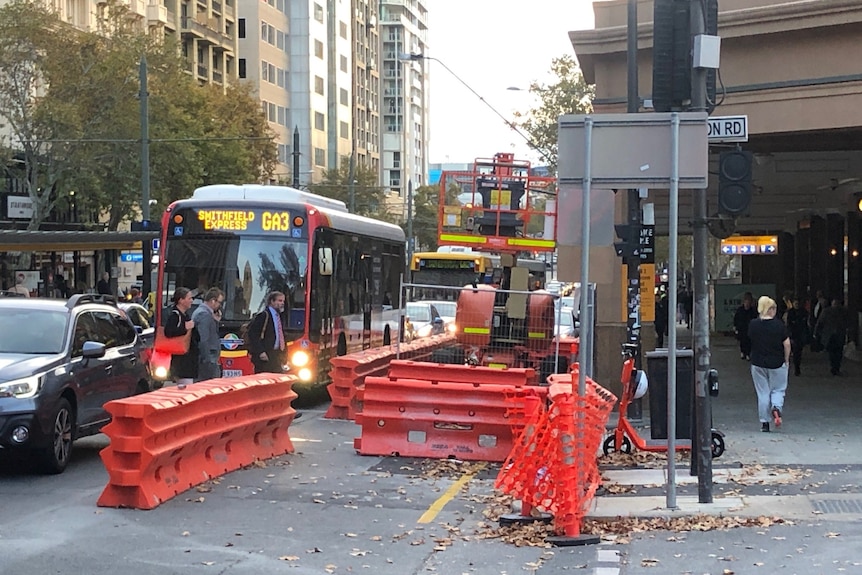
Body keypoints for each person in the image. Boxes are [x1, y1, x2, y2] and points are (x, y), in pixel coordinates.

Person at [747, 296, 790, 433]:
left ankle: (764, 423)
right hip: (777, 362)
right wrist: (786, 359)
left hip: (758, 362)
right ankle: (776, 407)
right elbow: (787, 343)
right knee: (778, 389)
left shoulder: (753, 324)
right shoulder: (779, 325)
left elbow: (749, 340)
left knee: (762, 393)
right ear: (770, 309)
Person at [163, 287, 198, 386]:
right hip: (181, 359)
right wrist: (184, 327)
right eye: (189, 298)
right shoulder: (175, 315)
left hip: (187, 358)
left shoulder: (185, 315)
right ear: (181, 300)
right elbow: (168, 332)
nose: (191, 301)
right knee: (186, 387)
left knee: (186, 385)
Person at [246, 291, 287, 374]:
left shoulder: (279, 316)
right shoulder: (264, 315)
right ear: (272, 301)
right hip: (265, 355)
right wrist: (261, 352)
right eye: (279, 301)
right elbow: (253, 334)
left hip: (275, 354)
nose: (282, 303)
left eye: (283, 301)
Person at [192, 287, 224, 382]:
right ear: (213, 301)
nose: (220, 306)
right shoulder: (204, 315)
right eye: (219, 302)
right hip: (208, 360)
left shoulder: (205, 314)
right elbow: (203, 339)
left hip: (207, 359)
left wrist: (215, 321)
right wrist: (207, 360)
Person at [814, 297, 849, 376]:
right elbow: (847, 322)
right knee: (837, 352)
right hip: (837, 334)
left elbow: (820, 322)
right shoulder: (843, 311)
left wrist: (816, 333)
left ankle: (834, 367)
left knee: (833, 352)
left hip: (830, 334)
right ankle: (836, 367)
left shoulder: (826, 311)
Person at [784, 297, 808, 376]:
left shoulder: (804, 312)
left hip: (801, 334)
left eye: (798, 304)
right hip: (794, 334)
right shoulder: (791, 312)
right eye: (795, 303)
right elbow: (789, 324)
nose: (797, 305)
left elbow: (806, 323)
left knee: (799, 351)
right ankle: (796, 367)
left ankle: (797, 366)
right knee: (796, 350)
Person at [733, 292, 758, 360]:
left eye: (748, 302)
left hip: (749, 328)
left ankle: (748, 354)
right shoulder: (740, 310)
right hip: (742, 328)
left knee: (749, 341)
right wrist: (735, 327)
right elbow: (736, 318)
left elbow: (755, 318)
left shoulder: (753, 310)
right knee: (742, 341)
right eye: (746, 302)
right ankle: (743, 352)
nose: (747, 304)